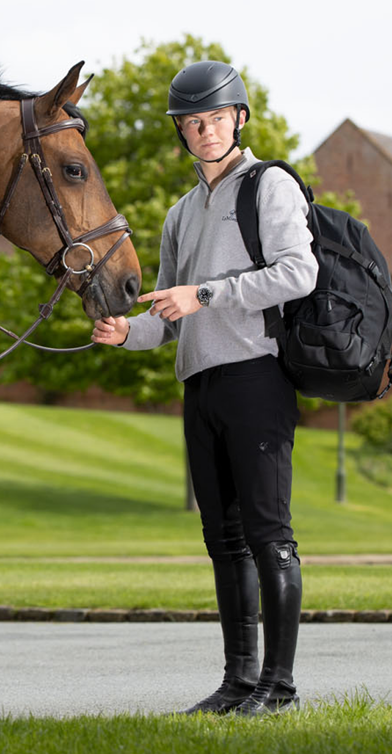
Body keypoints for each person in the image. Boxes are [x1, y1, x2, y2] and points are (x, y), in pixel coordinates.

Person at [91, 61, 318, 716]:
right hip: (201, 386)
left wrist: (206, 294)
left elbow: (298, 271)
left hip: (257, 375)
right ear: (181, 134)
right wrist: (121, 333)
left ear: (238, 119)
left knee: (270, 533)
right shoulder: (180, 214)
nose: (205, 130)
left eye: (216, 118)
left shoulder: (267, 186)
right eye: (193, 123)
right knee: (223, 539)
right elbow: (167, 317)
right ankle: (239, 682)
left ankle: (281, 688)